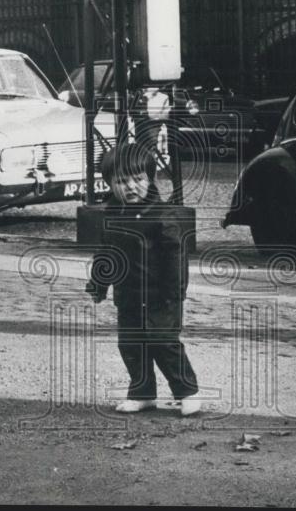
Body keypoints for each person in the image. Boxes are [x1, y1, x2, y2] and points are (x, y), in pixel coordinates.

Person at [86, 142, 201, 416]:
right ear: (110, 184)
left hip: (161, 296)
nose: (130, 187)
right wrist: (99, 284)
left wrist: (176, 294)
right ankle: (142, 393)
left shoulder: (162, 216)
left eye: (138, 179)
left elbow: (176, 259)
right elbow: (106, 254)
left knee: (164, 343)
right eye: (121, 181)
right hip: (128, 296)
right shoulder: (111, 216)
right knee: (131, 344)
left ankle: (187, 391)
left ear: (151, 179)